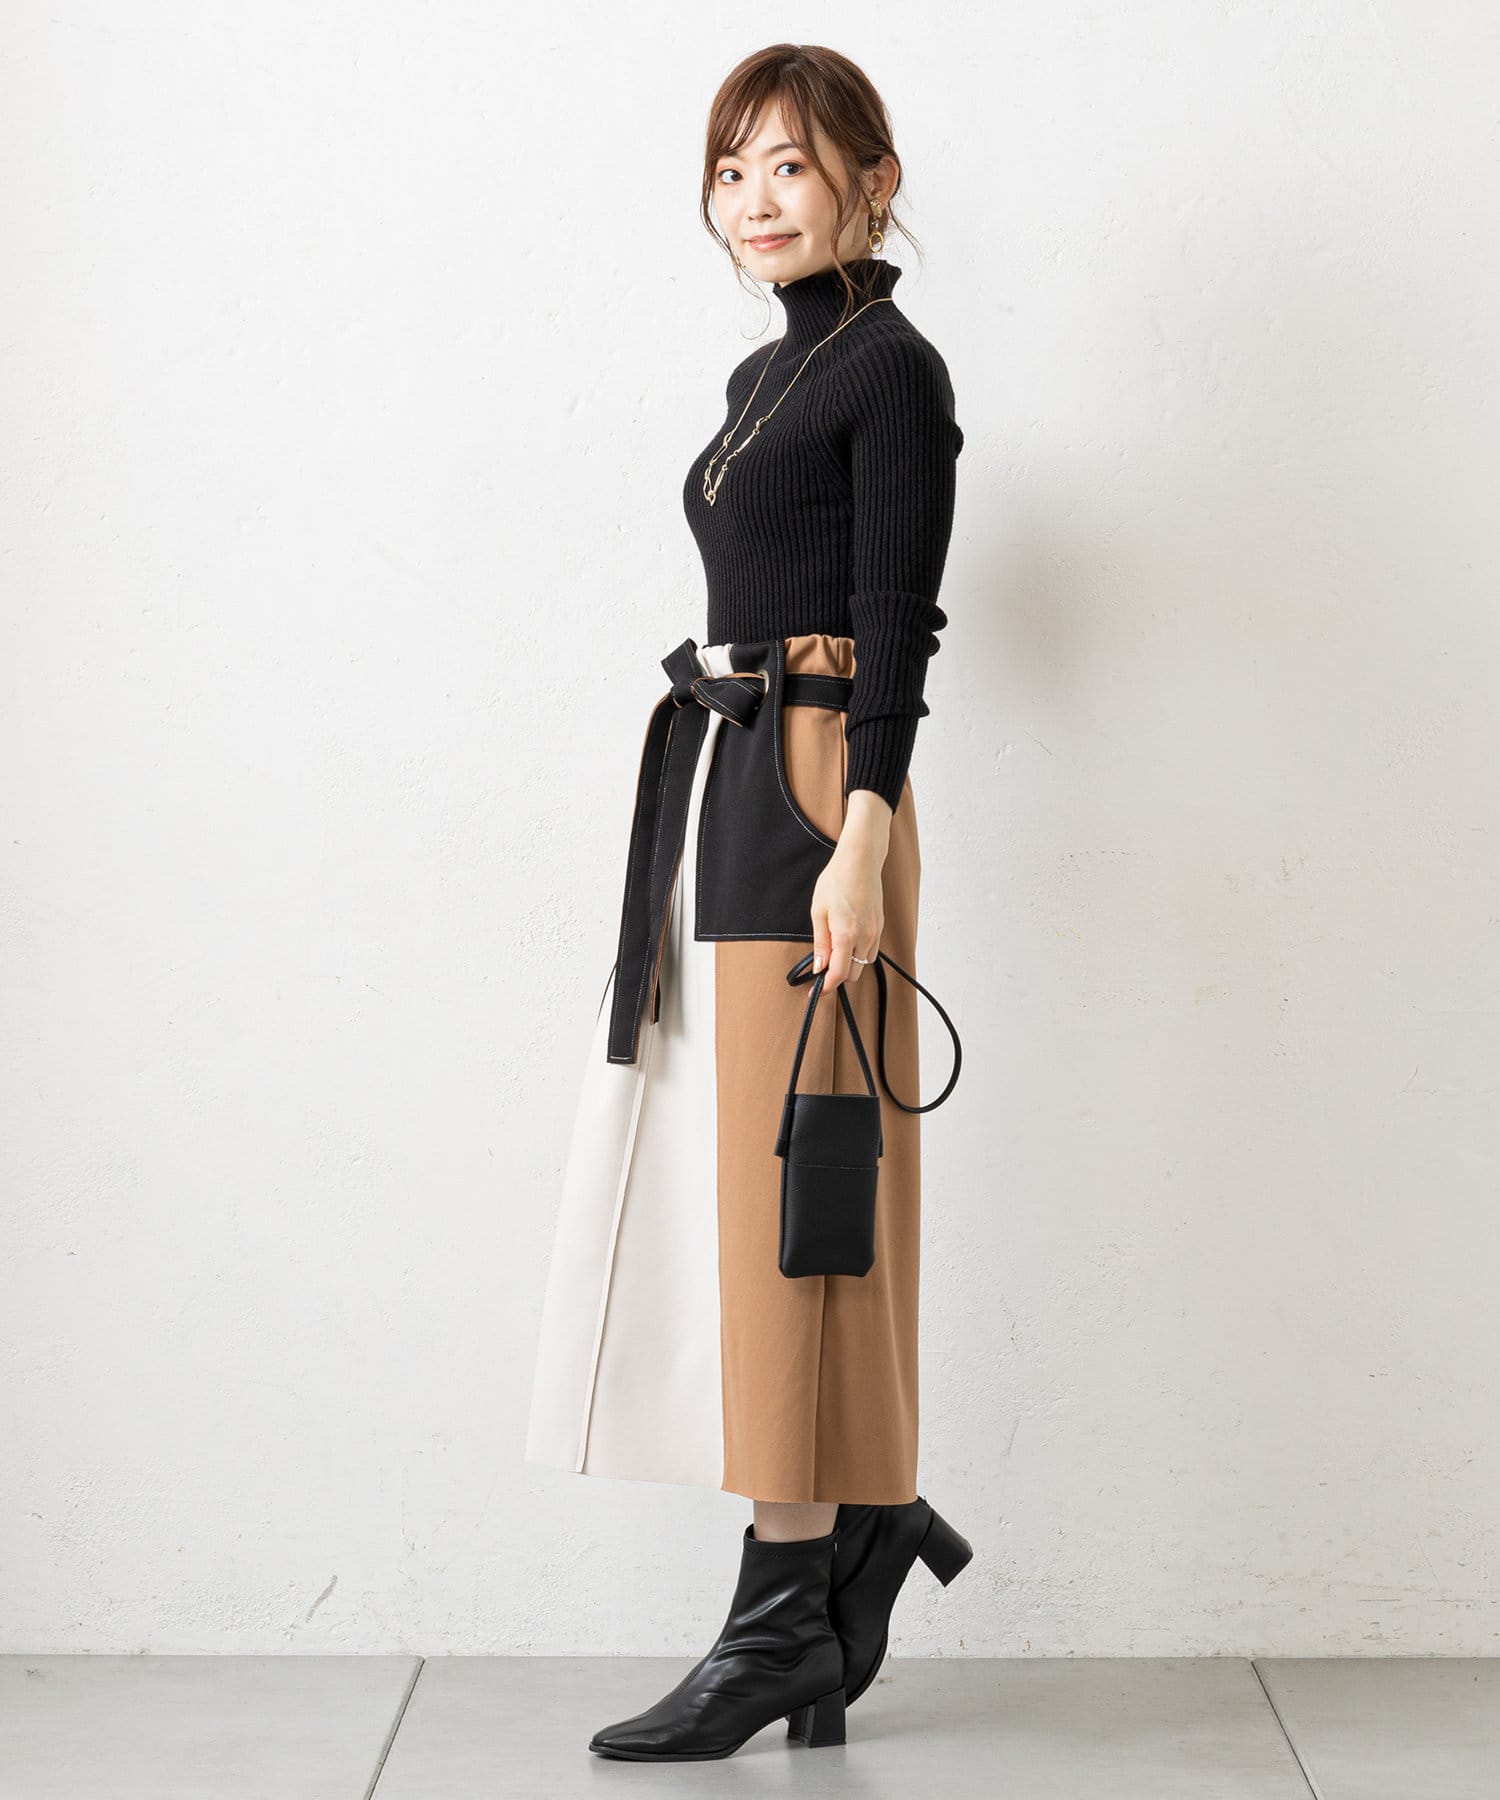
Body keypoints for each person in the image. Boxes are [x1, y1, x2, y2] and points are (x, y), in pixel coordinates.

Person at [524, 43, 973, 1760]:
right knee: (757, 1178)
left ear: (873, 178)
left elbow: (896, 622)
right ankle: (851, 1533)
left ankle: (794, 1597)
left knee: (806, 1184)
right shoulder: (763, 373)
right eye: (731, 171)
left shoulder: (894, 372)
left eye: (789, 165)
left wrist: (862, 832)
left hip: (819, 781)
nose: (753, 201)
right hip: (738, 771)